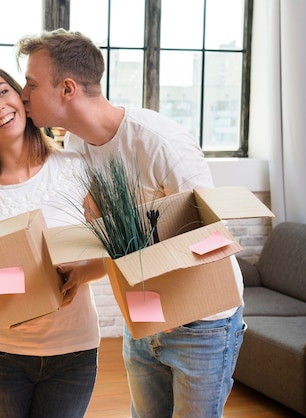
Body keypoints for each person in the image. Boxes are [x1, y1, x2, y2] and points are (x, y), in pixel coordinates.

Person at [15, 28, 247, 418]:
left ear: (67, 89)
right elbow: (120, 239)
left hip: (200, 322)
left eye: (31, 83)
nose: (22, 94)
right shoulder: (77, 146)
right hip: (143, 311)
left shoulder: (159, 142)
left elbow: (213, 239)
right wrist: (84, 272)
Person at [0, 64, 104, 418]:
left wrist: (81, 273)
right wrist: (4, 295)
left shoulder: (76, 167)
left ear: (21, 96)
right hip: (2, 356)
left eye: (3, 91)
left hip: (73, 351)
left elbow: (112, 252)